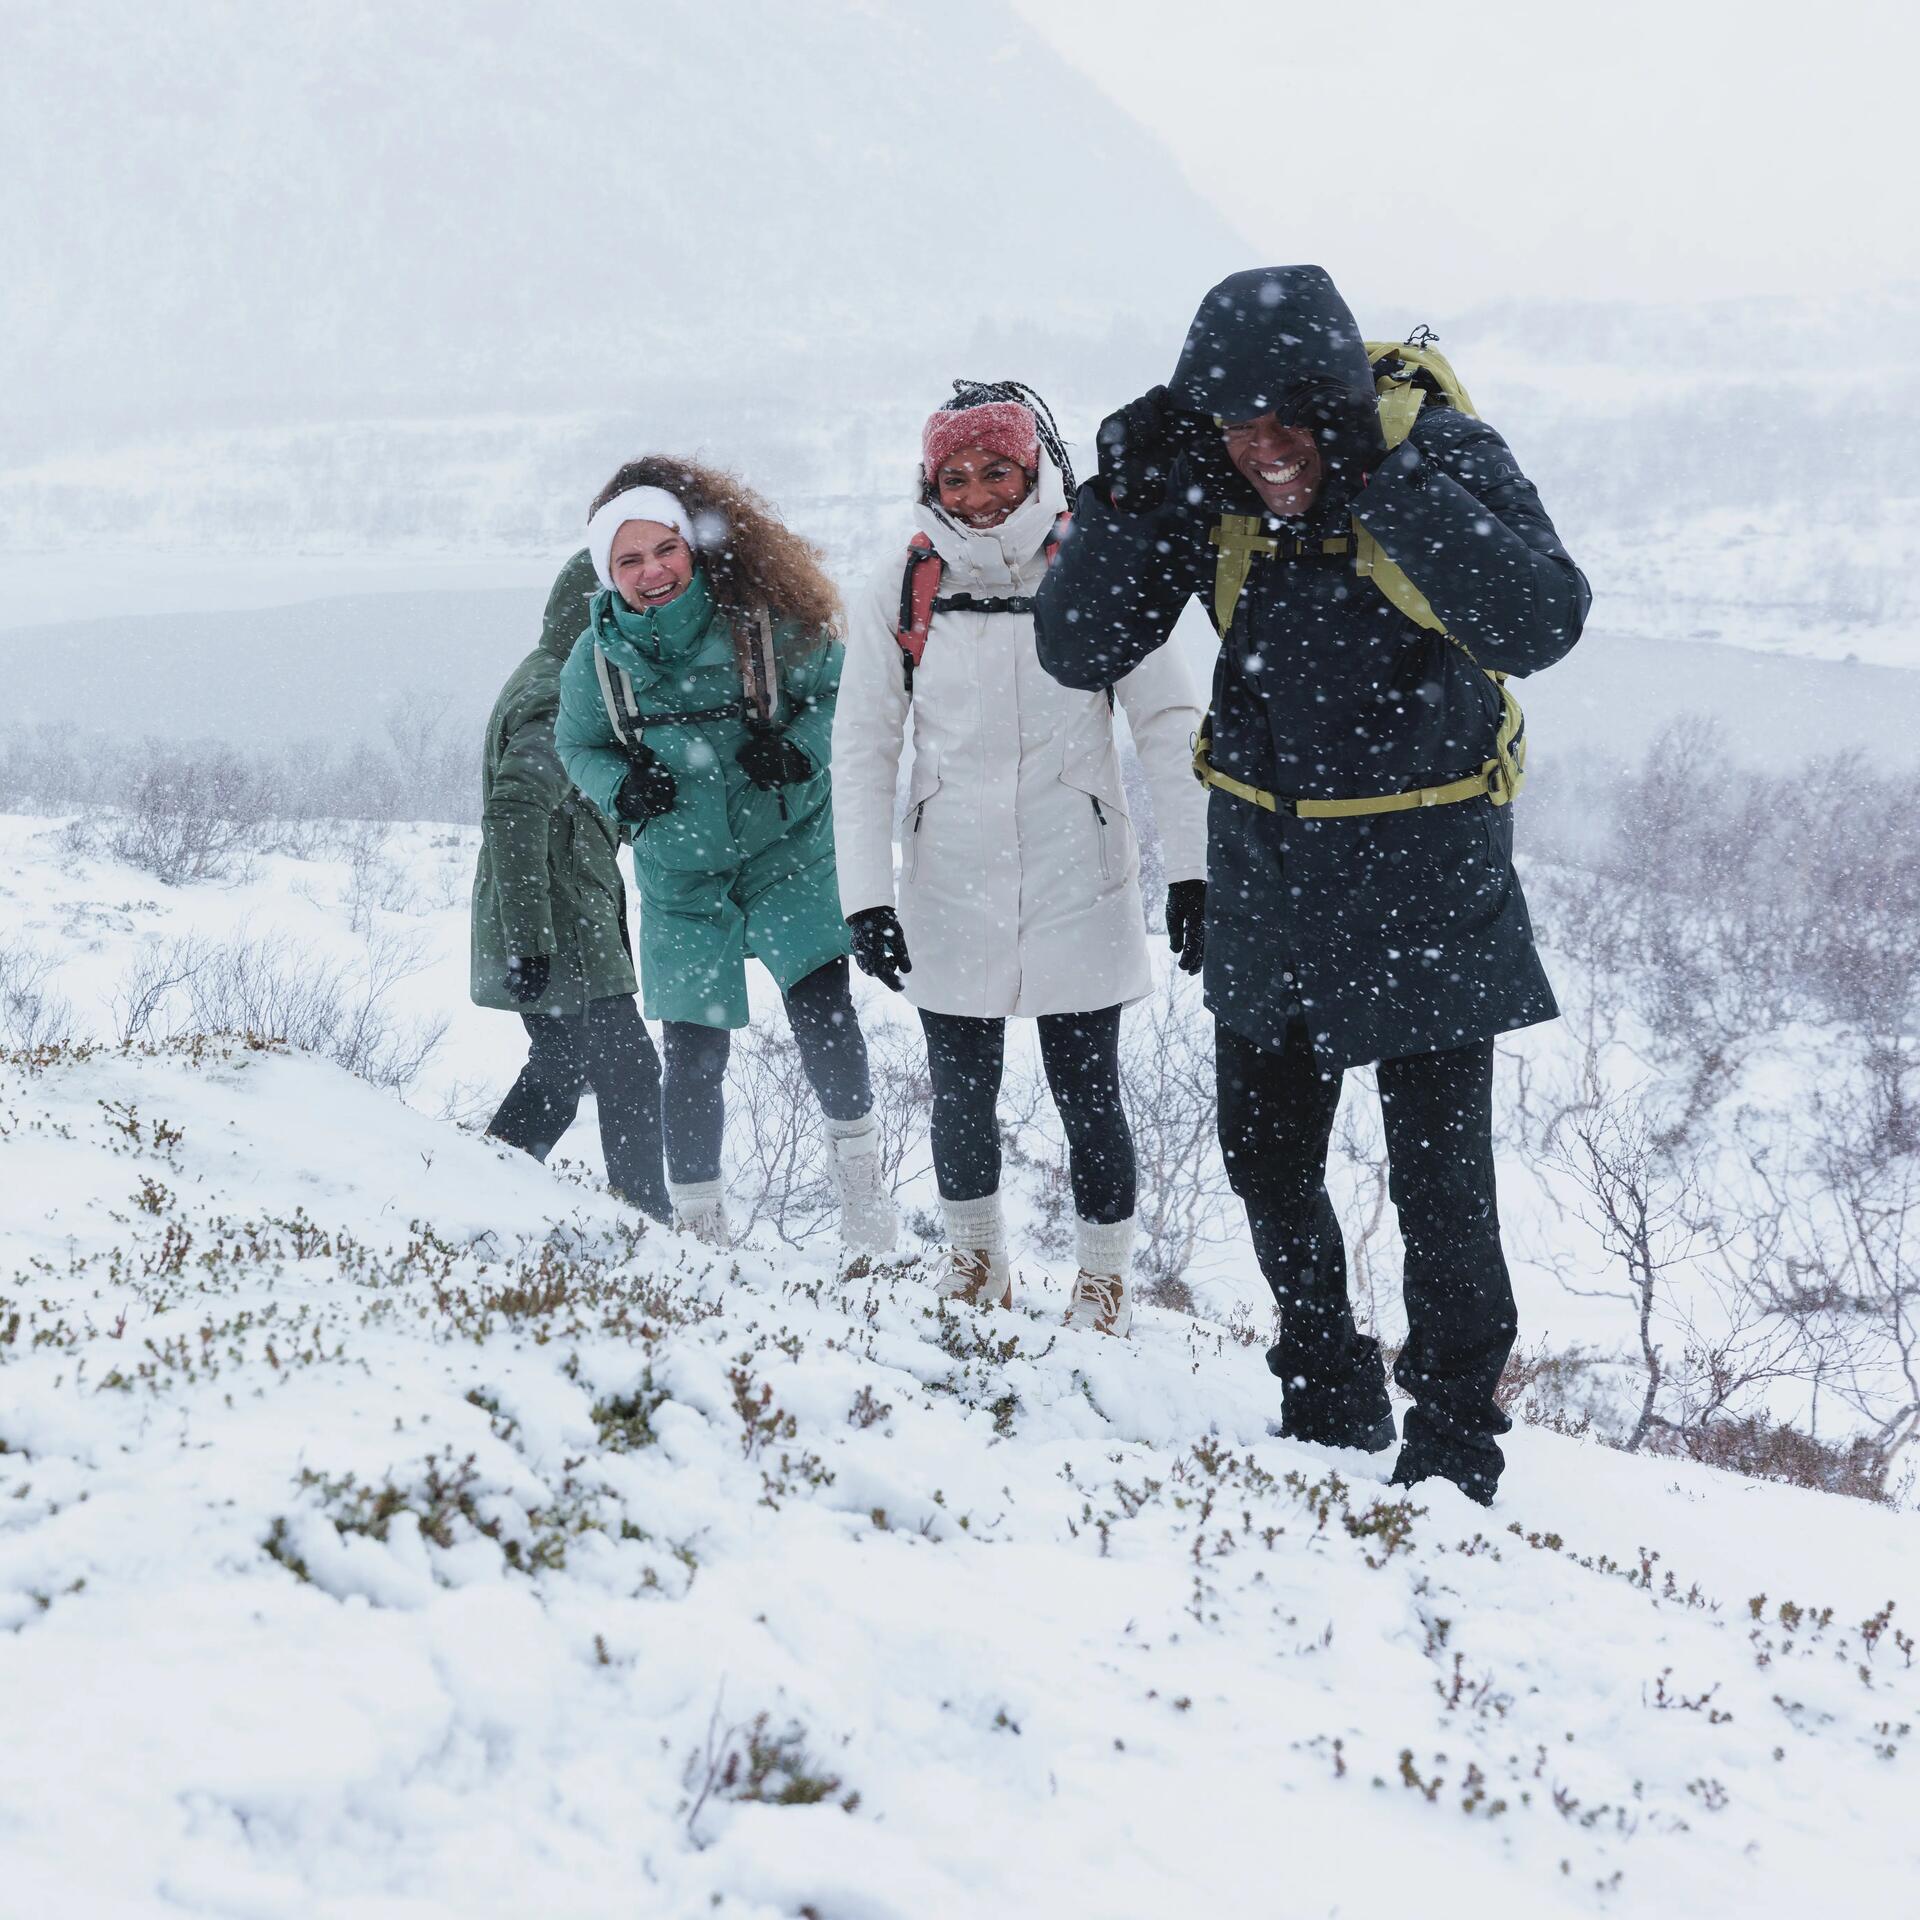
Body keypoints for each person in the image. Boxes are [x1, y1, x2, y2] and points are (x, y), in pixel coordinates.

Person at [1034, 267, 1590, 1500]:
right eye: (1239, 427)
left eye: (1293, 423)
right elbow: (1078, 646)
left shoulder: (1436, 452)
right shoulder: (1209, 478)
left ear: (1341, 402)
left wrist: (1387, 484)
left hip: (1426, 872)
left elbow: (1541, 620)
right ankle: (1326, 1385)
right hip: (1271, 870)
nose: (1268, 453)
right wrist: (1122, 496)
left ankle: (1450, 1441)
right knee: (1265, 1151)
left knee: (1441, 1184)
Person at [834, 380, 1206, 1336]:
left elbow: (1169, 722)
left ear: (1033, 466)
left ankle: (1104, 1280)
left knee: (1089, 1091)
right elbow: (864, 745)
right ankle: (975, 1265)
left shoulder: (1091, 565)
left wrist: (1199, 871)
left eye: (996, 469)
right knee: (959, 1089)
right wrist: (865, 897)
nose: (977, 493)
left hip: (1076, 868)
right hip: (948, 873)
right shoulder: (903, 583)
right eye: (954, 477)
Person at [551, 458, 898, 1257]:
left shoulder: (762, 624)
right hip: (682, 877)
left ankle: (864, 1199)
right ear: (608, 573)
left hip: (789, 853)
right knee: (693, 1055)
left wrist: (801, 750)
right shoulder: (595, 661)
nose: (652, 573)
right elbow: (578, 742)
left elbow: (846, 695)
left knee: (825, 1019)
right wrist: (619, 789)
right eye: (629, 561)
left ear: (693, 547)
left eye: (664, 550)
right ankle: (703, 1231)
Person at [471, 587, 670, 1223]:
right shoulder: (562, 690)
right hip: (560, 928)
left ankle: (481, 1186)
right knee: (629, 1070)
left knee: (561, 1068)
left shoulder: (564, 671)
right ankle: (648, 1221)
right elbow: (515, 808)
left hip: (568, 917)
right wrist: (529, 940)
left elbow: (579, 809)